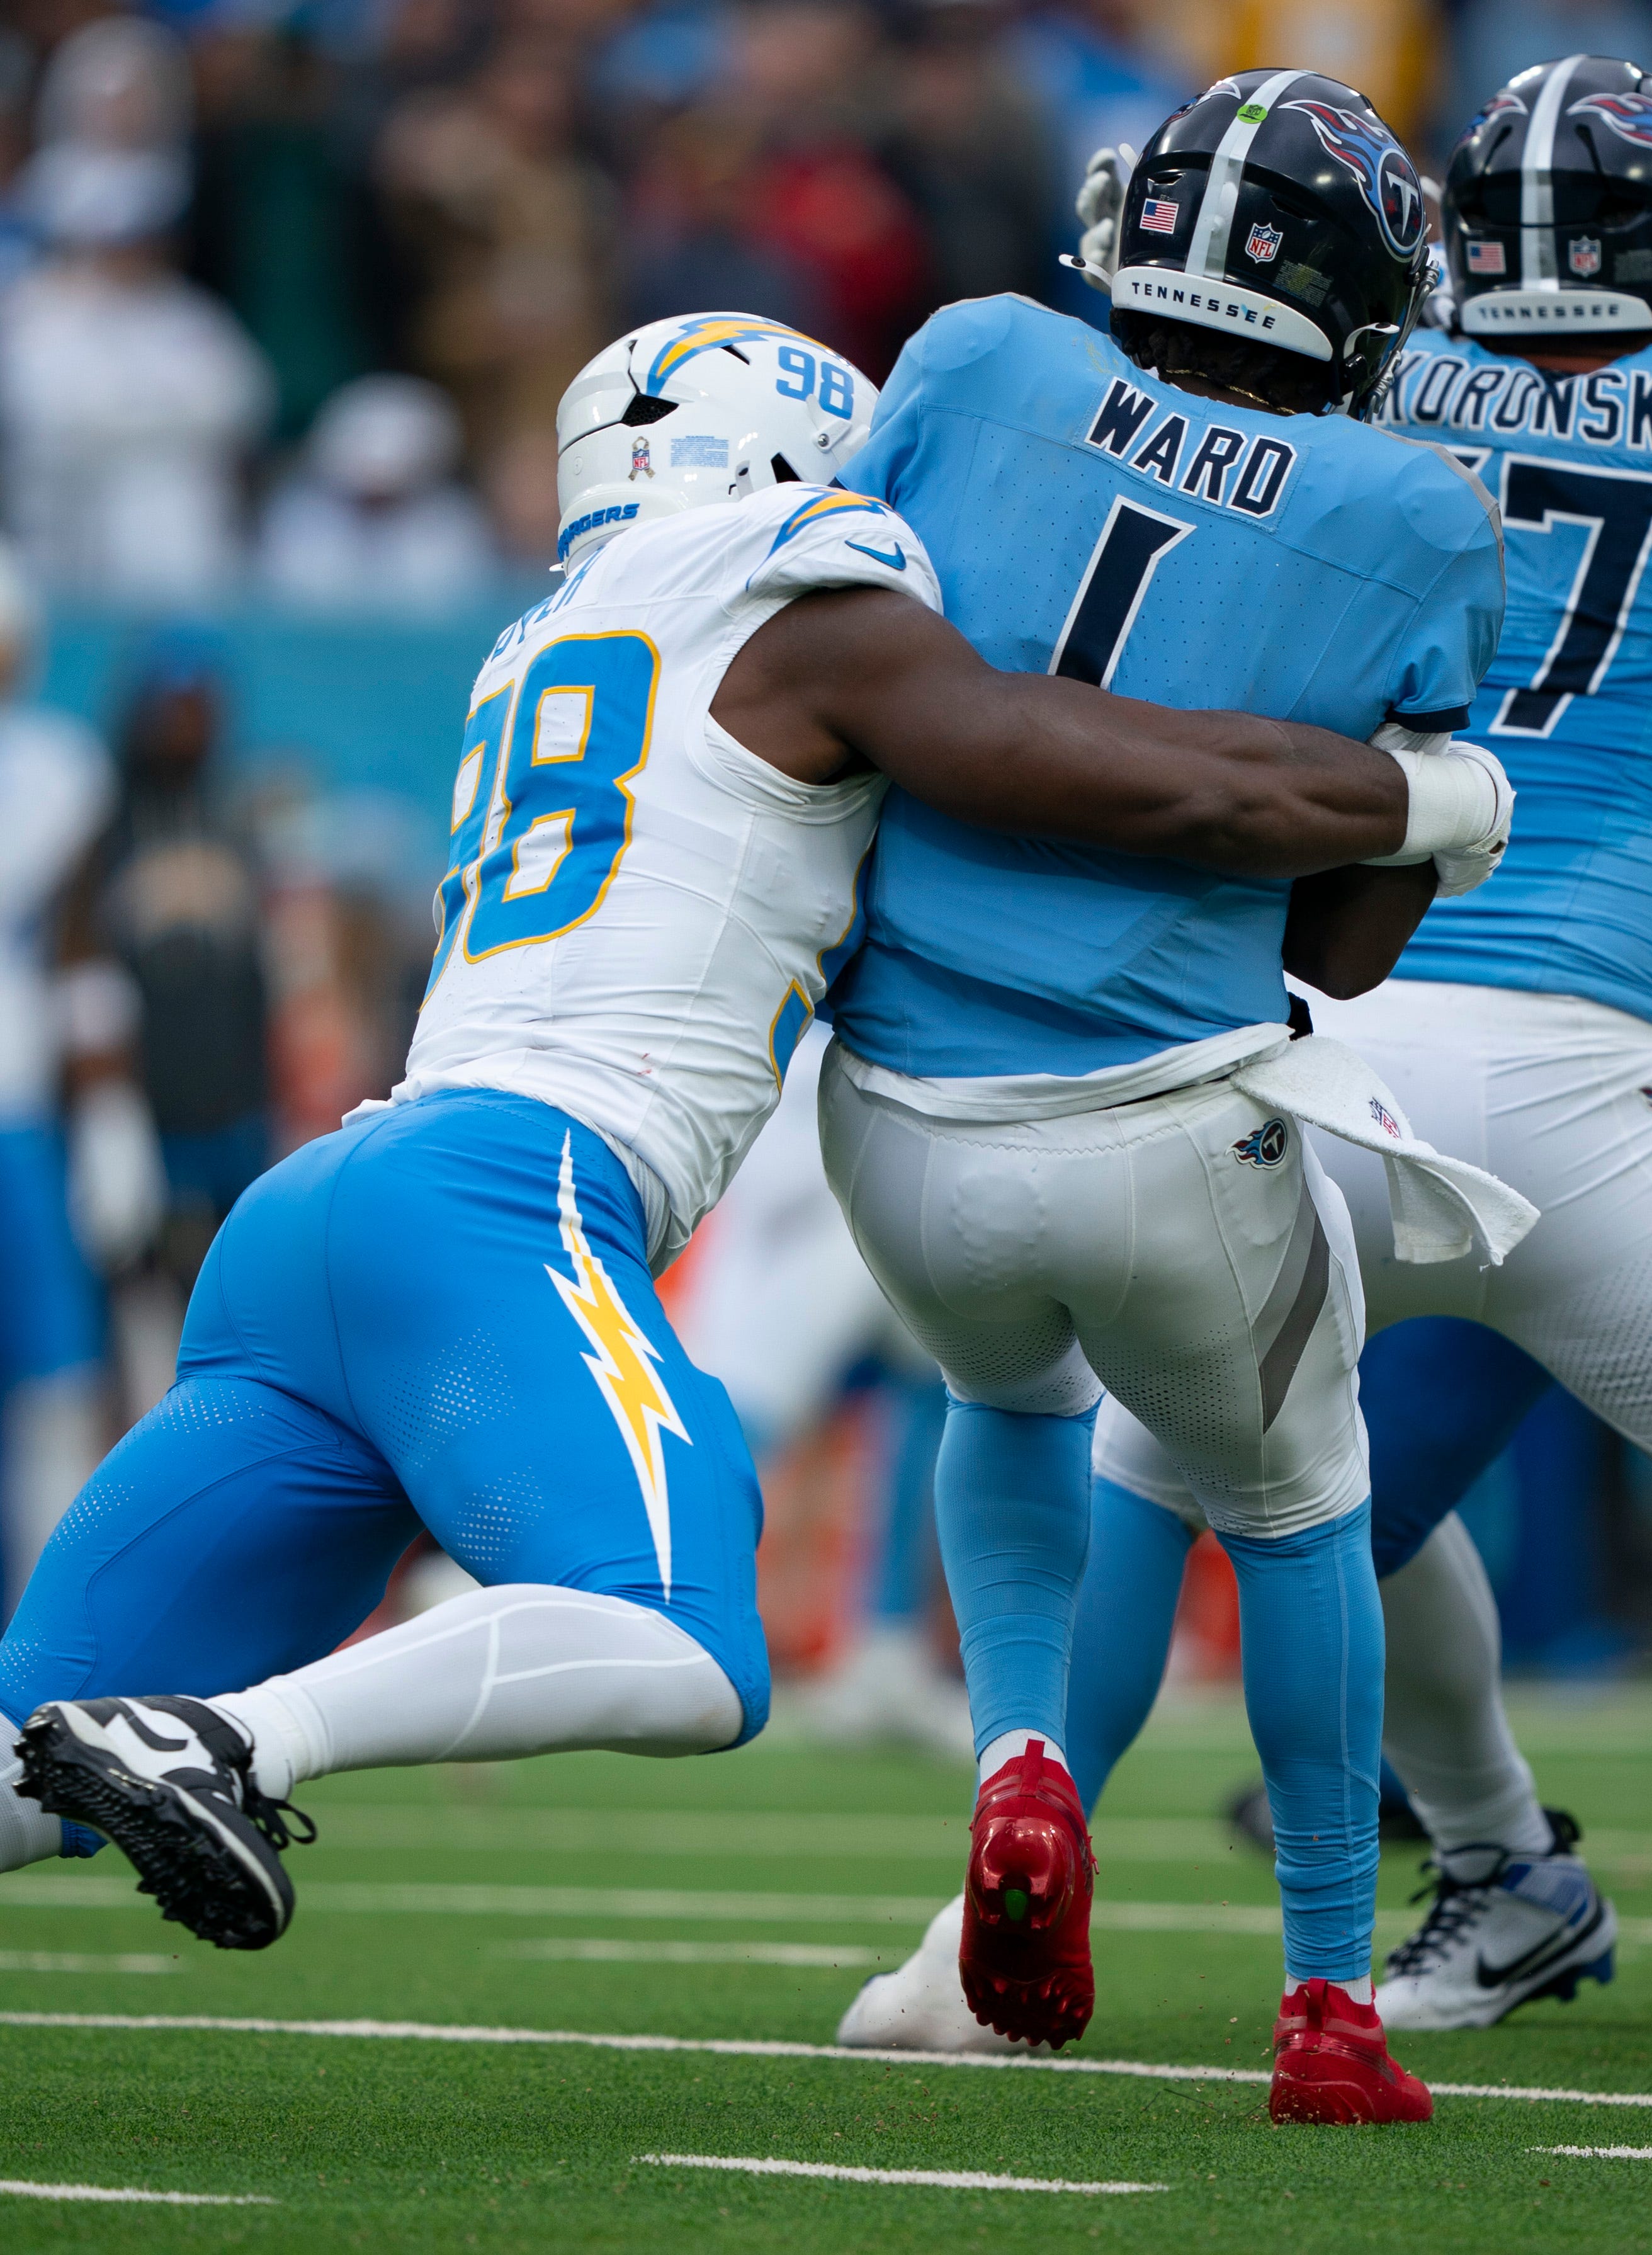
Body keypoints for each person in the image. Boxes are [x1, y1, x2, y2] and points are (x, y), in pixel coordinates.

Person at [0, 311, 1477, 1966]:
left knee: (26, 1757)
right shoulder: (799, 600)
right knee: (691, 1644)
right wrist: (1419, 800)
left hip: (326, 1212)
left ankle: (184, 1732)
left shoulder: (549, 624)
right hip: (505, 1192)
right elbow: (1089, 773)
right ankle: (241, 1745)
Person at [818, 72, 1515, 2122]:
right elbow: (1347, 949)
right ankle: (1328, 2006)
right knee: (1299, 1513)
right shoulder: (1410, 511)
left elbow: (842, 639)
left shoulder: (971, 358)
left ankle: (1022, 1763)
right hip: (1168, 1107)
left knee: (1002, 1408)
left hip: (901, 1109)